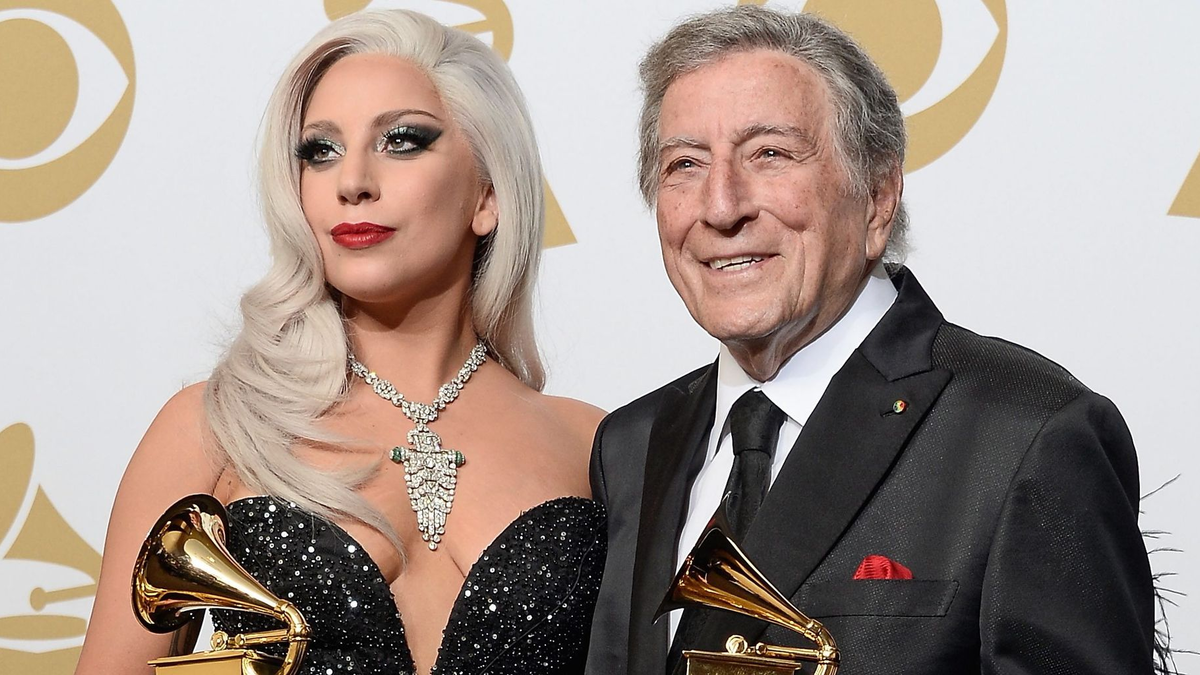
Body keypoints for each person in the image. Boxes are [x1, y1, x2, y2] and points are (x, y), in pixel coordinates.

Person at [586, 6, 1154, 675]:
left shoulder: (1026, 433)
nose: (721, 205)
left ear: (879, 196)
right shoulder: (631, 444)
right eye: (685, 163)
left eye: (769, 154)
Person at [76, 10, 605, 675]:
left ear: (488, 195)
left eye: (402, 140)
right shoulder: (217, 427)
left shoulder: (596, 446)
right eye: (319, 150)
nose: (351, 180)